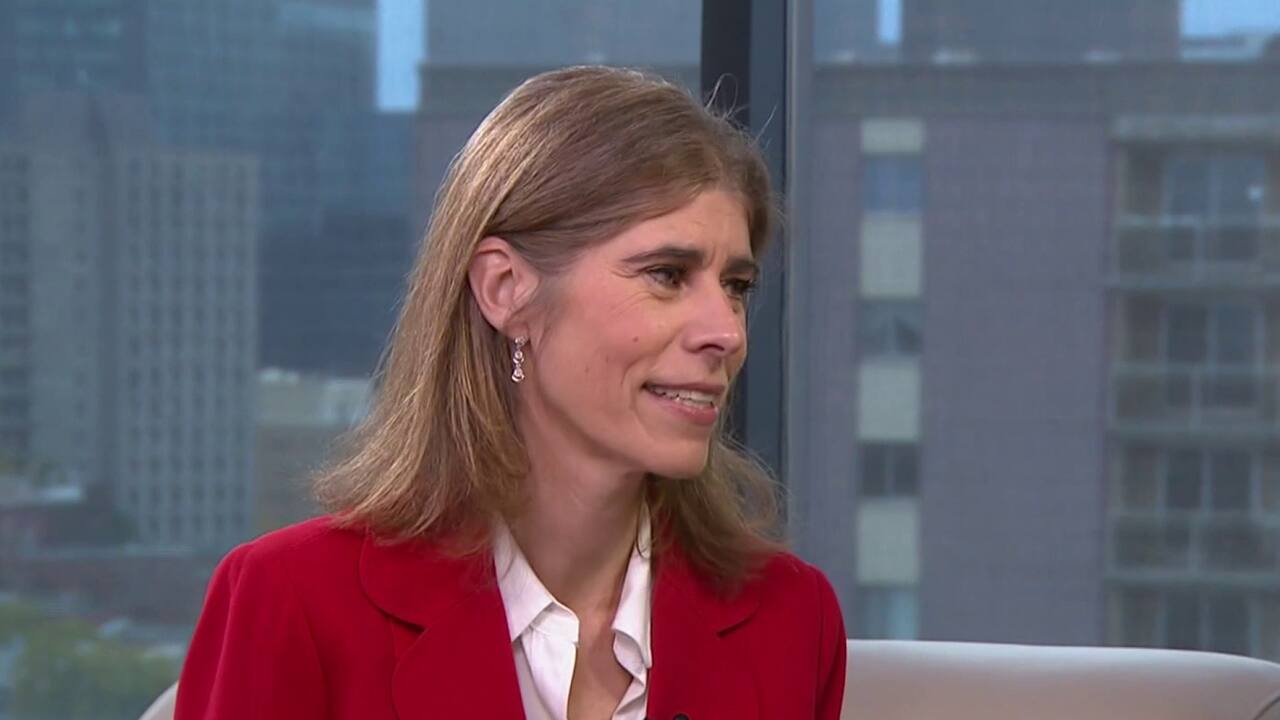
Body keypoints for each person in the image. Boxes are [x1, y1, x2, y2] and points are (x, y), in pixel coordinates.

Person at [174, 65, 846, 720]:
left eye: (736, 286)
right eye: (667, 275)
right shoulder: (293, 603)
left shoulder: (791, 621)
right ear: (506, 291)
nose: (725, 332)